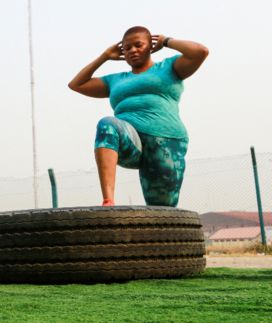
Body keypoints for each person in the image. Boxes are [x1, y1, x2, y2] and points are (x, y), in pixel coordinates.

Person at [68, 26, 208, 207]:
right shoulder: (116, 80)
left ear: (150, 46)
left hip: (165, 140)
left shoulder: (168, 68)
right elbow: (76, 84)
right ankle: (108, 200)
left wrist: (166, 41)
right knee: (107, 124)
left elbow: (200, 52)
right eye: (126, 48)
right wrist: (104, 56)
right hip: (130, 139)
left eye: (138, 45)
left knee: (163, 209)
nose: (132, 50)